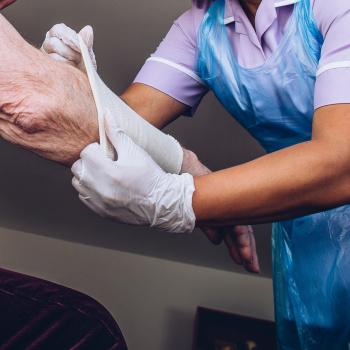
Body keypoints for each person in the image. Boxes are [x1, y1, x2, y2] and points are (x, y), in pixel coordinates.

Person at [43, 0, 350, 349]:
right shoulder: (201, 27)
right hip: (302, 234)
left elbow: (342, 160)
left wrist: (181, 199)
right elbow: (115, 130)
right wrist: (76, 89)